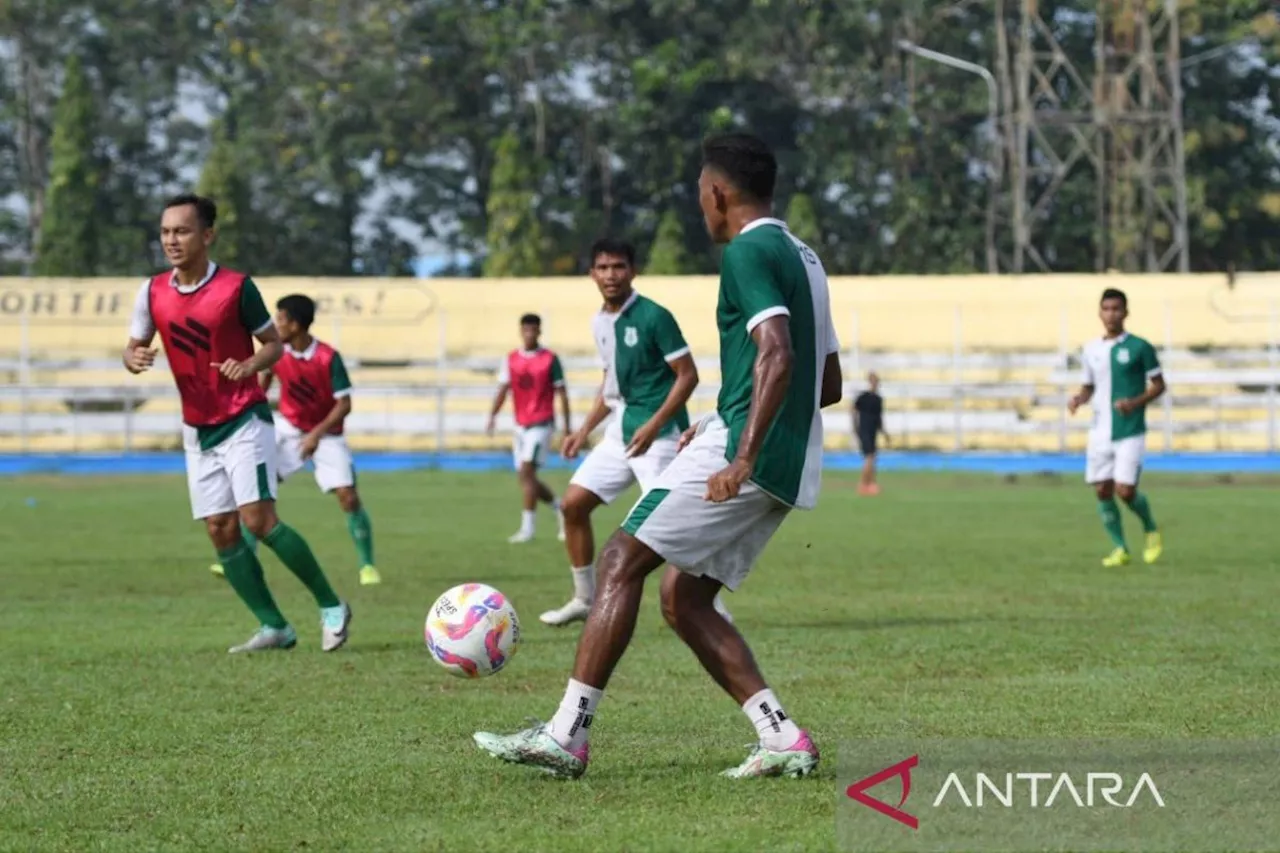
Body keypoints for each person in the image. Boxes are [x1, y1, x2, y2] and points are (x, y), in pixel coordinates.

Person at [474, 133, 843, 779]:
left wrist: (741, 451)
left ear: (719, 193)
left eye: (702, 192)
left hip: (748, 454)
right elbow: (828, 382)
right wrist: (725, 421)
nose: (702, 205)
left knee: (619, 558)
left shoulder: (748, 250)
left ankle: (566, 734)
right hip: (791, 461)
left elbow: (777, 354)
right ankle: (780, 736)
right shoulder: (804, 256)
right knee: (684, 598)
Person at [124, 193, 351, 653]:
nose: (171, 240)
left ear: (207, 235)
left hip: (244, 418)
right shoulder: (151, 292)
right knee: (220, 529)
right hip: (197, 427)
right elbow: (133, 347)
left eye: (182, 231)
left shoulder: (236, 288)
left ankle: (332, 605)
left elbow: (273, 345)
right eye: (166, 231)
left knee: (260, 520)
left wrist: (249, 366)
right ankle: (275, 627)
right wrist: (135, 356)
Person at [548, 237, 729, 626]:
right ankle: (584, 598)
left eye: (618, 267)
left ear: (633, 271)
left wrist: (654, 425)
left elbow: (688, 376)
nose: (611, 275)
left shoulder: (653, 317)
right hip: (621, 434)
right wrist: (582, 431)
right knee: (572, 506)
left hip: (660, 437)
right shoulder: (600, 321)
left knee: (669, 522)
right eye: (603, 267)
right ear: (591, 273)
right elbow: (610, 382)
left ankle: (710, 603)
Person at [208, 294, 380, 586]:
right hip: (287, 429)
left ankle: (367, 566)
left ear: (297, 325)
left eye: (281, 319)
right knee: (254, 490)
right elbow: (260, 389)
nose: (276, 325)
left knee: (348, 496)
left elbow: (344, 404)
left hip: (326, 434)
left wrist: (316, 435)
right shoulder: (277, 354)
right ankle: (241, 558)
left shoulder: (328, 357)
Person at [1068, 288, 1166, 567]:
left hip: (1130, 429)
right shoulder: (1090, 349)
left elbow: (1159, 385)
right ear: (1100, 312)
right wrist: (1079, 398)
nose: (1111, 314)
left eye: (1116, 309)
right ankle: (1121, 548)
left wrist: (1134, 403)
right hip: (1100, 430)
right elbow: (1089, 386)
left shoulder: (1140, 347)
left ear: (1126, 312)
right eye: (1106, 309)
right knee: (1101, 490)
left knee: (1125, 490)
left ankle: (1150, 528)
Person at [486, 314, 571, 543]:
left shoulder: (550, 359)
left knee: (526, 472)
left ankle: (528, 529)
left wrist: (568, 429)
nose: (530, 334)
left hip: (541, 424)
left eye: (534, 330)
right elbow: (503, 389)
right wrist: (493, 415)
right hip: (520, 426)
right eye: (526, 330)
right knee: (526, 478)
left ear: (539, 331)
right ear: (521, 331)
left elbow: (562, 393)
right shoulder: (511, 359)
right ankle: (561, 508)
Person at [852, 372, 889, 496]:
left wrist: (884, 432)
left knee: (872, 457)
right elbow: (853, 409)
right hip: (864, 430)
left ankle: (871, 483)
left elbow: (879, 418)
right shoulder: (863, 397)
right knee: (869, 457)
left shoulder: (878, 399)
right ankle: (864, 484)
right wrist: (854, 425)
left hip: (873, 431)